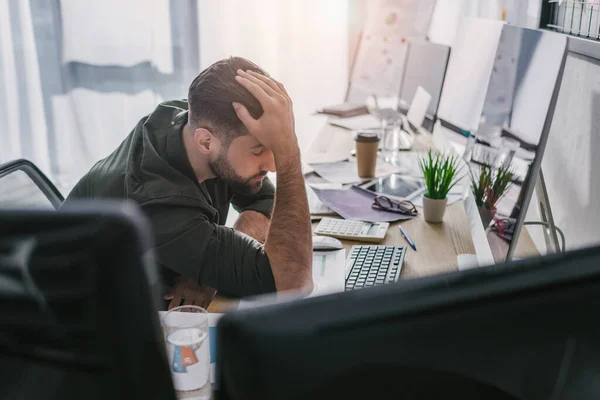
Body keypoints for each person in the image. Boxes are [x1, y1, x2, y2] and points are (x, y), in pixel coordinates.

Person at [63, 57, 313, 309]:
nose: (272, 165)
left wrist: (212, 268)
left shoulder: (190, 121)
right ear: (205, 142)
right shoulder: (160, 202)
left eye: (273, 147)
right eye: (259, 150)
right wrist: (288, 154)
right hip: (87, 316)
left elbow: (262, 199)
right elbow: (291, 282)